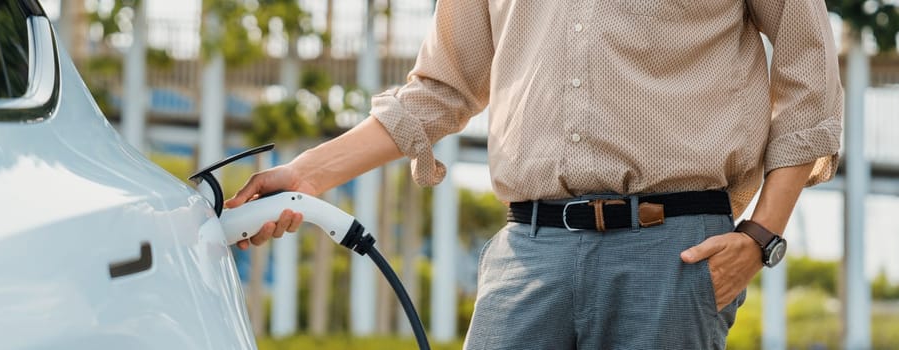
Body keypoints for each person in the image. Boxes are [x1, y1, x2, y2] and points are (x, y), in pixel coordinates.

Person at [225, 0, 842, 348]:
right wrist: (309, 174)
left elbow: (809, 76)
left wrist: (761, 237)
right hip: (530, 253)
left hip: (672, 255)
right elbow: (441, 88)